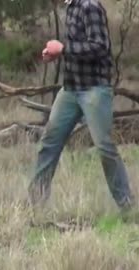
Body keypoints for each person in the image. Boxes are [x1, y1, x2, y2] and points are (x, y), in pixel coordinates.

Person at [28, 0, 136, 214]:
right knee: (49, 142)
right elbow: (78, 49)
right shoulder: (71, 8)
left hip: (94, 89)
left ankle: (127, 206)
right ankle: (36, 205)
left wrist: (64, 48)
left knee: (104, 147)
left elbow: (99, 47)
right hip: (70, 90)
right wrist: (57, 54)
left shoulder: (90, 6)